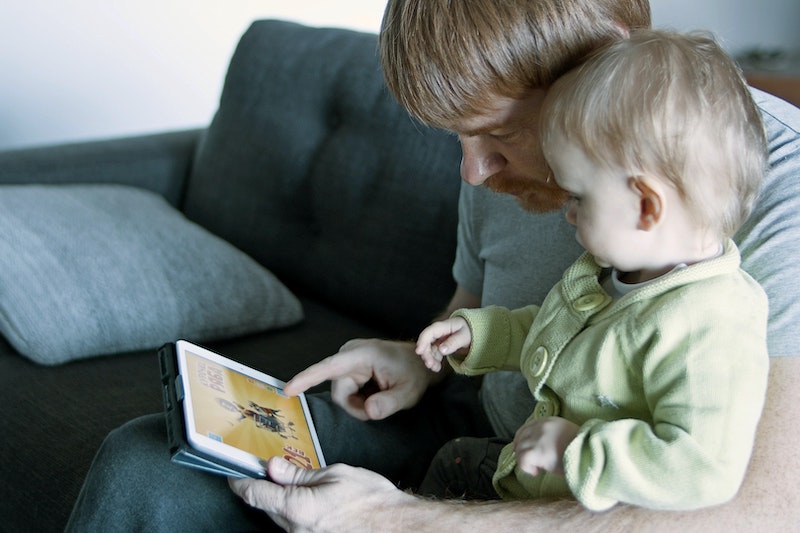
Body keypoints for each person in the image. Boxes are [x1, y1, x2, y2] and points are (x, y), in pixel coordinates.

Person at [67, 1, 800, 531]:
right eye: (456, 138)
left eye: (500, 133)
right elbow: (482, 307)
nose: (474, 172)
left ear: (598, 59)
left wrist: (396, 519)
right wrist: (424, 359)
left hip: (579, 491)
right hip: (475, 448)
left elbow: (758, 510)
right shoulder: (495, 170)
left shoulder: (761, 190)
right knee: (146, 461)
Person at [415, 29, 769, 510]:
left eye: (579, 196)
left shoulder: (710, 323)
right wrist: (480, 335)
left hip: (574, 507)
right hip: (522, 473)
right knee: (447, 462)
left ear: (646, 206)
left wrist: (576, 450)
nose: (569, 213)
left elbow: (701, 466)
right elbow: (555, 336)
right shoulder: (614, 272)